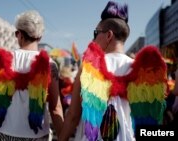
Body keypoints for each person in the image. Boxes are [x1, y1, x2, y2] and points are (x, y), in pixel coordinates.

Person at [59, 1, 167, 141]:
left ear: (109, 35)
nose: (94, 38)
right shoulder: (143, 72)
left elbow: (73, 116)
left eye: (96, 32)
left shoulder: (88, 68)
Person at [0, 10, 64, 141]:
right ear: (40, 37)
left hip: (4, 133)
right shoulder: (49, 65)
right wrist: (63, 137)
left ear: (19, 34)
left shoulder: (2, 61)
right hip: (36, 136)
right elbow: (56, 109)